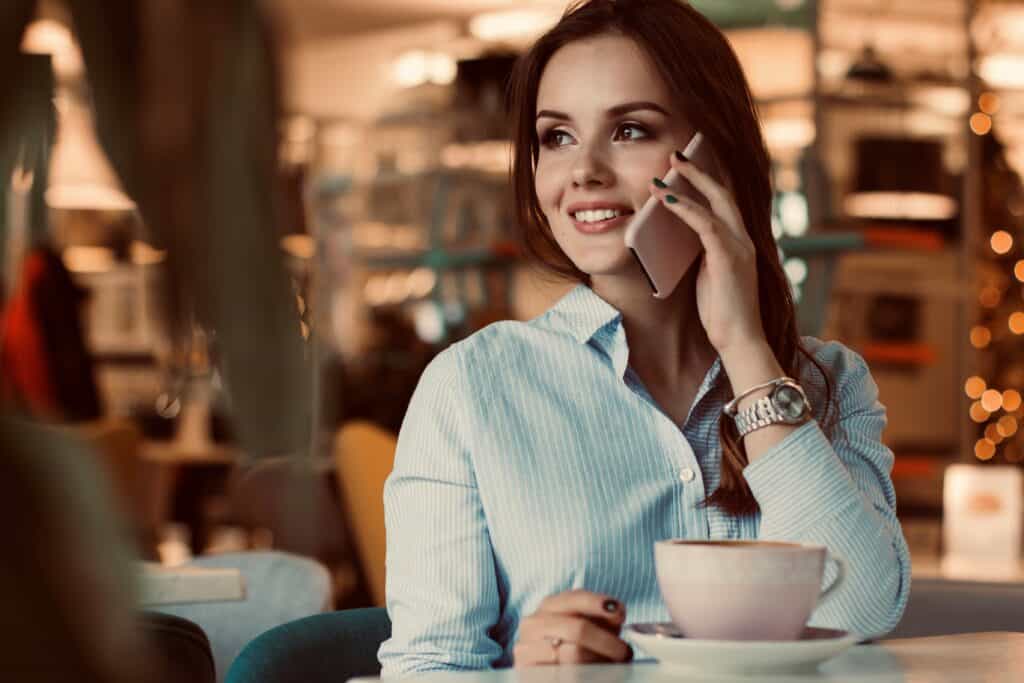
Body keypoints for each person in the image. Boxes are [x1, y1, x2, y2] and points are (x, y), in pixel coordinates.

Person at [378, 0, 910, 674]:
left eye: (629, 129)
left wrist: (745, 348)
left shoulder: (829, 380)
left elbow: (859, 609)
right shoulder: (471, 387)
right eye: (557, 137)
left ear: (713, 153)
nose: (585, 172)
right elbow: (424, 667)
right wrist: (521, 671)